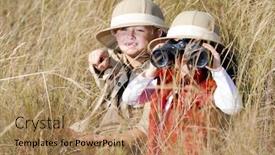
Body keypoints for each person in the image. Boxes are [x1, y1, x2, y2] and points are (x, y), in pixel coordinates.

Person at [122, 11, 242, 154]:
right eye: (177, 44)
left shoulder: (212, 86)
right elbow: (130, 99)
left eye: (193, 45)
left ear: (210, 49)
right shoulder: (162, 80)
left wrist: (217, 70)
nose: (184, 54)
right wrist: (152, 69)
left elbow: (233, 107)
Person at [67, 0, 167, 152]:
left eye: (139, 30)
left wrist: (102, 143)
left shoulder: (163, 69)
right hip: (96, 130)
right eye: (123, 30)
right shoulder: (116, 59)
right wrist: (98, 60)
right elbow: (110, 64)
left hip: (128, 140)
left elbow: (145, 131)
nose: (130, 36)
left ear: (157, 33)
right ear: (114, 34)